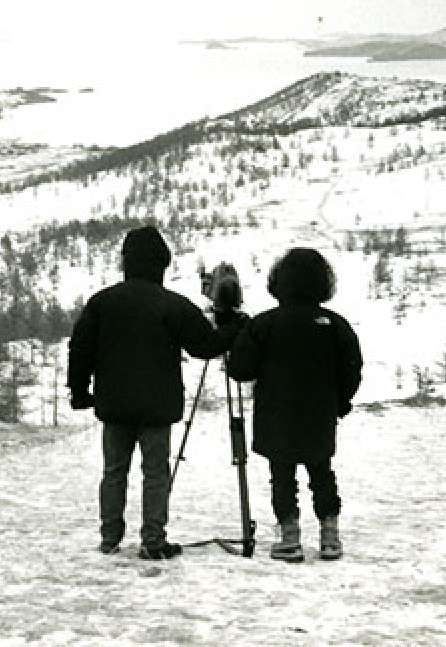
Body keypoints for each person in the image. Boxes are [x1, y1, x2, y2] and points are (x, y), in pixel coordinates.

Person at [68, 225, 242, 560]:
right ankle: (153, 540)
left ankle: (109, 537)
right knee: (155, 473)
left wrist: (80, 391)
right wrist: (234, 327)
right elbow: (205, 345)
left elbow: (80, 349)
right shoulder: (172, 305)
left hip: (114, 404)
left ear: (126, 262)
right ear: (161, 264)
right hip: (157, 406)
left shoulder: (103, 303)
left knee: (114, 471)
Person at [226, 247, 363, 562]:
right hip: (319, 415)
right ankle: (330, 536)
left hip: (276, 416)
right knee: (322, 473)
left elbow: (240, 370)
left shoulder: (264, 324)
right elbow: (351, 370)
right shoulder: (335, 325)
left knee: (282, 475)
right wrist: (340, 402)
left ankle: (290, 537)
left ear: (280, 281)